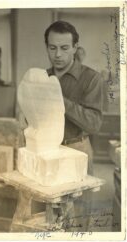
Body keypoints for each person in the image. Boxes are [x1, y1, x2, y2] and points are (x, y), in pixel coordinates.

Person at [44, 21, 103, 230]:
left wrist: (62, 102)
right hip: (49, 151)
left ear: (75, 47)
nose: (57, 54)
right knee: (52, 217)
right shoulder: (43, 77)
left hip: (78, 150)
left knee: (78, 219)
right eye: (52, 48)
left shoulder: (91, 78)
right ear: (47, 47)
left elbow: (94, 124)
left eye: (64, 48)